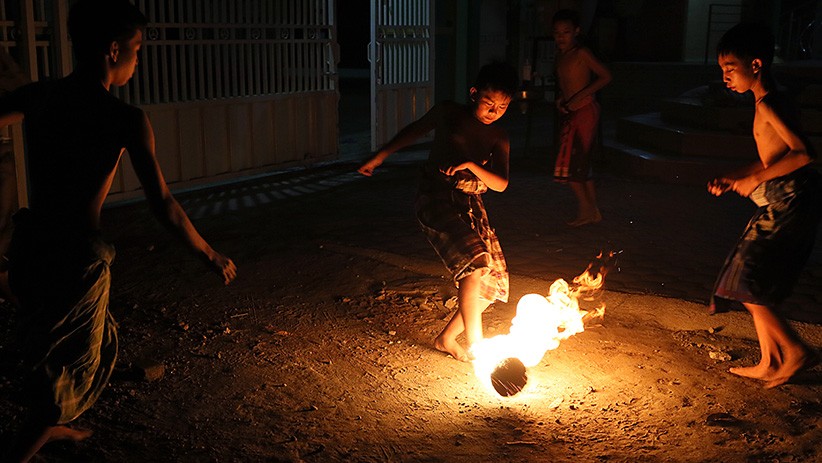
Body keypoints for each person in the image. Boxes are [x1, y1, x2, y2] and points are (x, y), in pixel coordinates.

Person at [0, 1, 237, 461]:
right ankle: (35, 438)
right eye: (136, 49)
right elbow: (163, 204)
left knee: (51, 347)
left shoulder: (41, 97)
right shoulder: (124, 118)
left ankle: (53, 426)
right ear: (113, 50)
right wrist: (211, 254)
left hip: (34, 246)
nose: (137, 59)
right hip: (74, 259)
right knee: (65, 362)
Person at [358, 62, 517, 362]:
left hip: (472, 206)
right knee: (476, 264)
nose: (494, 111)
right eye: (488, 103)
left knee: (491, 282)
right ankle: (479, 349)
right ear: (473, 94)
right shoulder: (449, 113)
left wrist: (470, 165)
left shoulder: (499, 136)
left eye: (502, 106)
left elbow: (501, 184)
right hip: (436, 196)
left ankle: (447, 338)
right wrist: (380, 156)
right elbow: (414, 131)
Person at [708, 22, 821, 389]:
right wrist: (736, 176)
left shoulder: (770, 102)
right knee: (745, 278)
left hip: (789, 203)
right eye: (722, 70)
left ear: (755, 65)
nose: (725, 77)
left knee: (745, 280)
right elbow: (777, 157)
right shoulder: (768, 100)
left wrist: (754, 180)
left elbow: (804, 153)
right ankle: (770, 361)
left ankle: (795, 350)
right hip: (784, 200)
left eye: (730, 69)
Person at [551, 8, 611, 226]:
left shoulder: (581, 53)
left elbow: (605, 76)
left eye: (566, 32)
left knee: (574, 163)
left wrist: (580, 95)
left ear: (576, 31)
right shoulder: (561, 56)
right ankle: (592, 211)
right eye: (557, 32)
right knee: (580, 164)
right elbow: (565, 85)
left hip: (585, 111)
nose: (561, 37)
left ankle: (586, 211)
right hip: (572, 112)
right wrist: (562, 99)